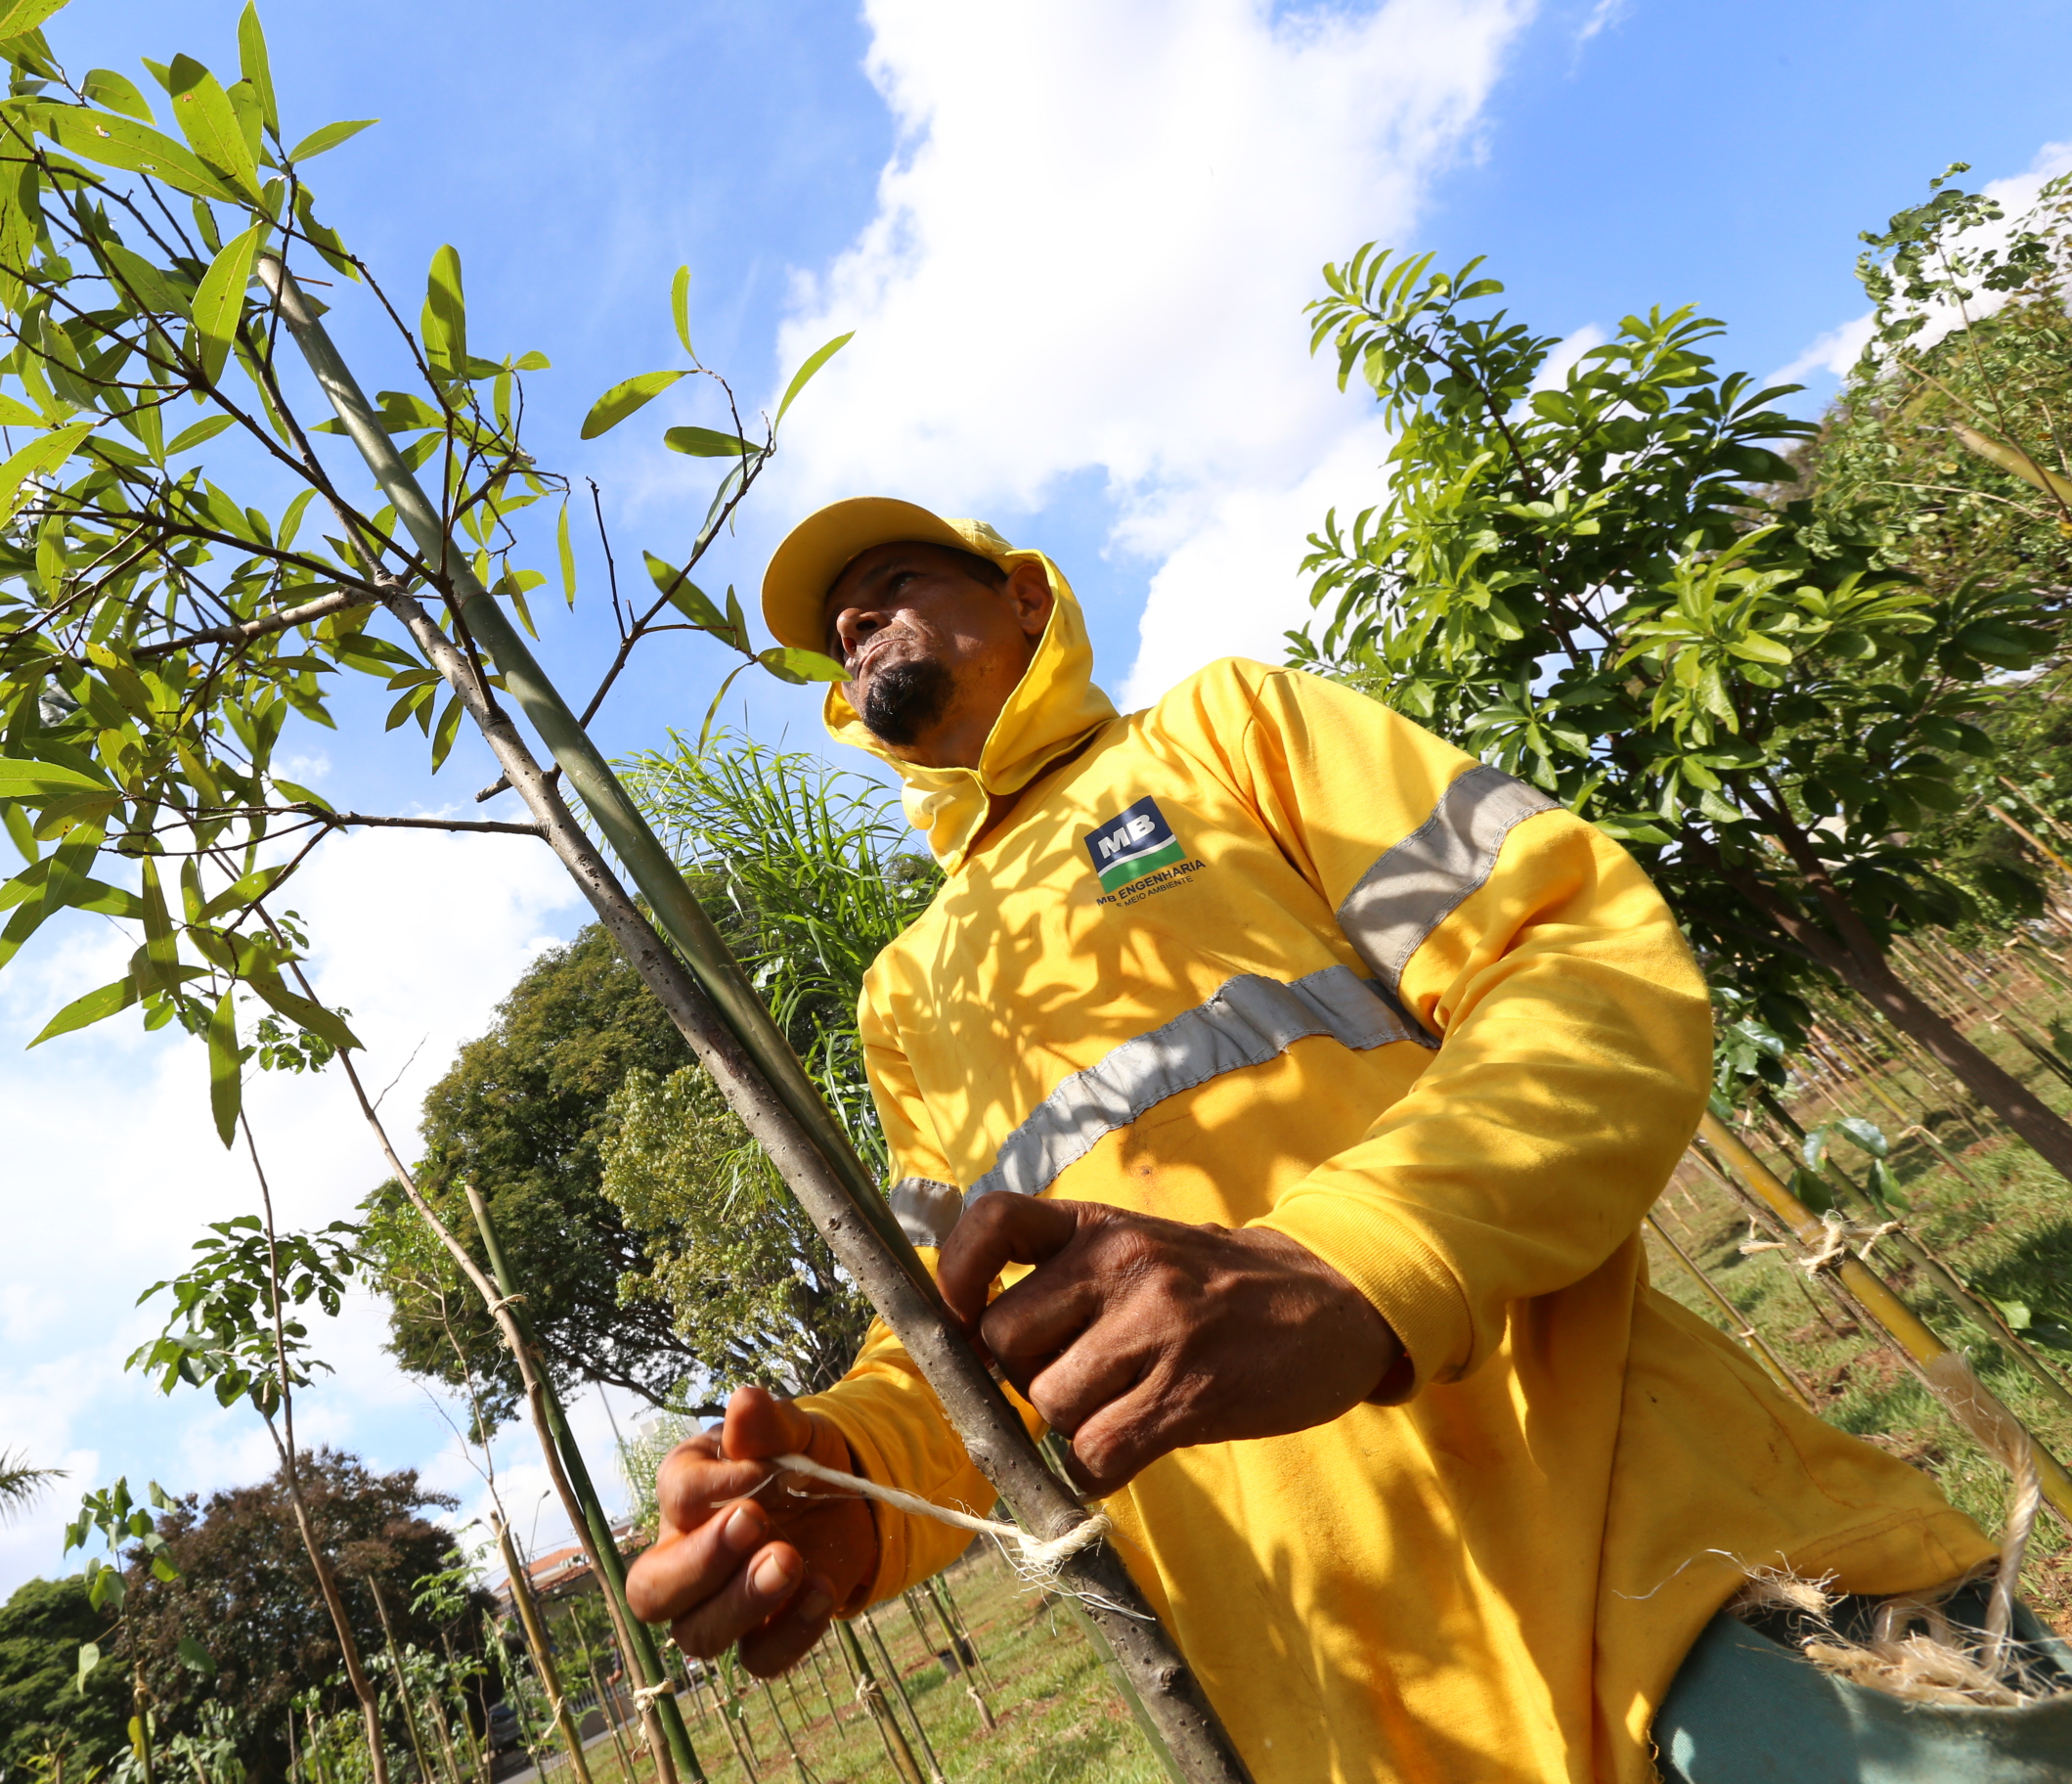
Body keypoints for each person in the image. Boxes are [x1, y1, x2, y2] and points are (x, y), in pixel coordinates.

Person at [622, 498, 1999, 1782]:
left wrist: (1349, 1261)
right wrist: (842, 1484)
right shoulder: (905, 993)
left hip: (1681, 1585)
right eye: (840, 629)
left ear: (1030, 600)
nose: (861, 626)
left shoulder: (1220, 733)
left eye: (894, 582)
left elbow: (1573, 960)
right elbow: (959, 1342)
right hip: (1344, 1724)